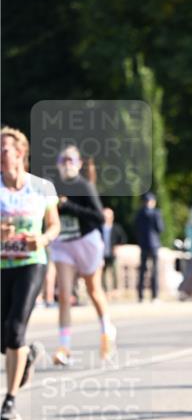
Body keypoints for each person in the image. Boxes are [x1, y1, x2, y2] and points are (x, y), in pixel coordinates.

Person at [1, 127, 60, 420]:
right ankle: (25, 358)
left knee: (14, 328)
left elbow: (54, 225)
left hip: (31, 263)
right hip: (1, 265)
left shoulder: (41, 187)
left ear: (21, 153)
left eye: (5, 149)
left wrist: (43, 240)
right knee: (6, 337)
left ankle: (9, 399)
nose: (0, 154)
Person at [50, 145, 115, 364]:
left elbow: (98, 217)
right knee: (64, 295)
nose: (67, 164)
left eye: (71, 160)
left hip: (86, 242)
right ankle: (64, 347)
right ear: (58, 165)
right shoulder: (52, 188)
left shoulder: (84, 186)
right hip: (63, 244)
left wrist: (69, 206)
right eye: (63, 160)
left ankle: (107, 330)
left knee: (94, 290)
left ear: (78, 164)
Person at [134, 192, 163, 301]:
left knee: (142, 270)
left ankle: (140, 295)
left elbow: (136, 228)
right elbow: (160, 228)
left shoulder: (139, 214)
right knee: (154, 271)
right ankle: (154, 295)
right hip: (154, 244)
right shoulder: (156, 213)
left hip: (143, 244)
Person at [101, 207, 127, 295]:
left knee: (115, 272)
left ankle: (115, 290)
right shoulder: (99, 228)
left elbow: (123, 239)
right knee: (102, 274)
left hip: (113, 254)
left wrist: (117, 247)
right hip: (102, 254)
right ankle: (105, 290)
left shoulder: (116, 228)